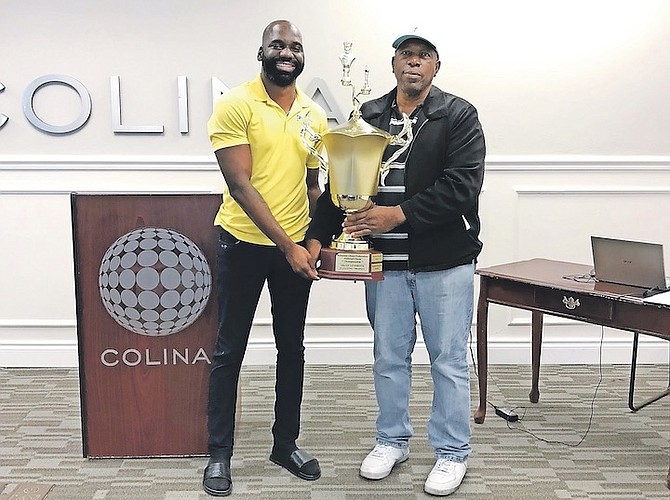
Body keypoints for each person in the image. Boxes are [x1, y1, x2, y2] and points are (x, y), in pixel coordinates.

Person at [306, 31, 485, 496]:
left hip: (443, 263)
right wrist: (315, 238)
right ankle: (391, 441)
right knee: (388, 357)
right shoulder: (367, 117)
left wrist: (398, 214)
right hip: (383, 265)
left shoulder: (458, 115)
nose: (414, 62)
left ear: (435, 68)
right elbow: (339, 185)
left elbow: (461, 187)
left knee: (447, 360)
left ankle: (452, 452)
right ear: (393, 65)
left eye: (424, 57)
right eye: (407, 55)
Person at [203, 19, 327, 497]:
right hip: (244, 243)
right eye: (278, 45)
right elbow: (240, 185)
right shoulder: (236, 103)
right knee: (229, 349)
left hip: (295, 249)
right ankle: (219, 455)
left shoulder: (314, 115)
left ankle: (284, 444)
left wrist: (318, 241)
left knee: (291, 349)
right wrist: (290, 246)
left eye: (295, 46)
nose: (287, 53)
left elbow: (314, 188)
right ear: (261, 53)